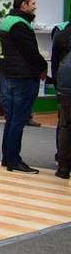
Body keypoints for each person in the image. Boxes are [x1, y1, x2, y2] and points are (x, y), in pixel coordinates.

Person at [0, 0, 46, 173]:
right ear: (24, 5)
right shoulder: (21, 25)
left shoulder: (6, 22)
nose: (35, 7)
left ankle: (7, 158)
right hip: (23, 79)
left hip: (7, 77)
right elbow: (30, 52)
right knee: (18, 120)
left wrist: (1, 70)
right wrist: (43, 66)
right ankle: (14, 160)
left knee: (11, 119)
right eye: (33, 3)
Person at [50, 22, 71, 179]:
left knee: (65, 126)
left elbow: (54, 62)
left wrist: (58, 85)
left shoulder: (61, 34)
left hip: (64, 87)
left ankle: (63, 166)